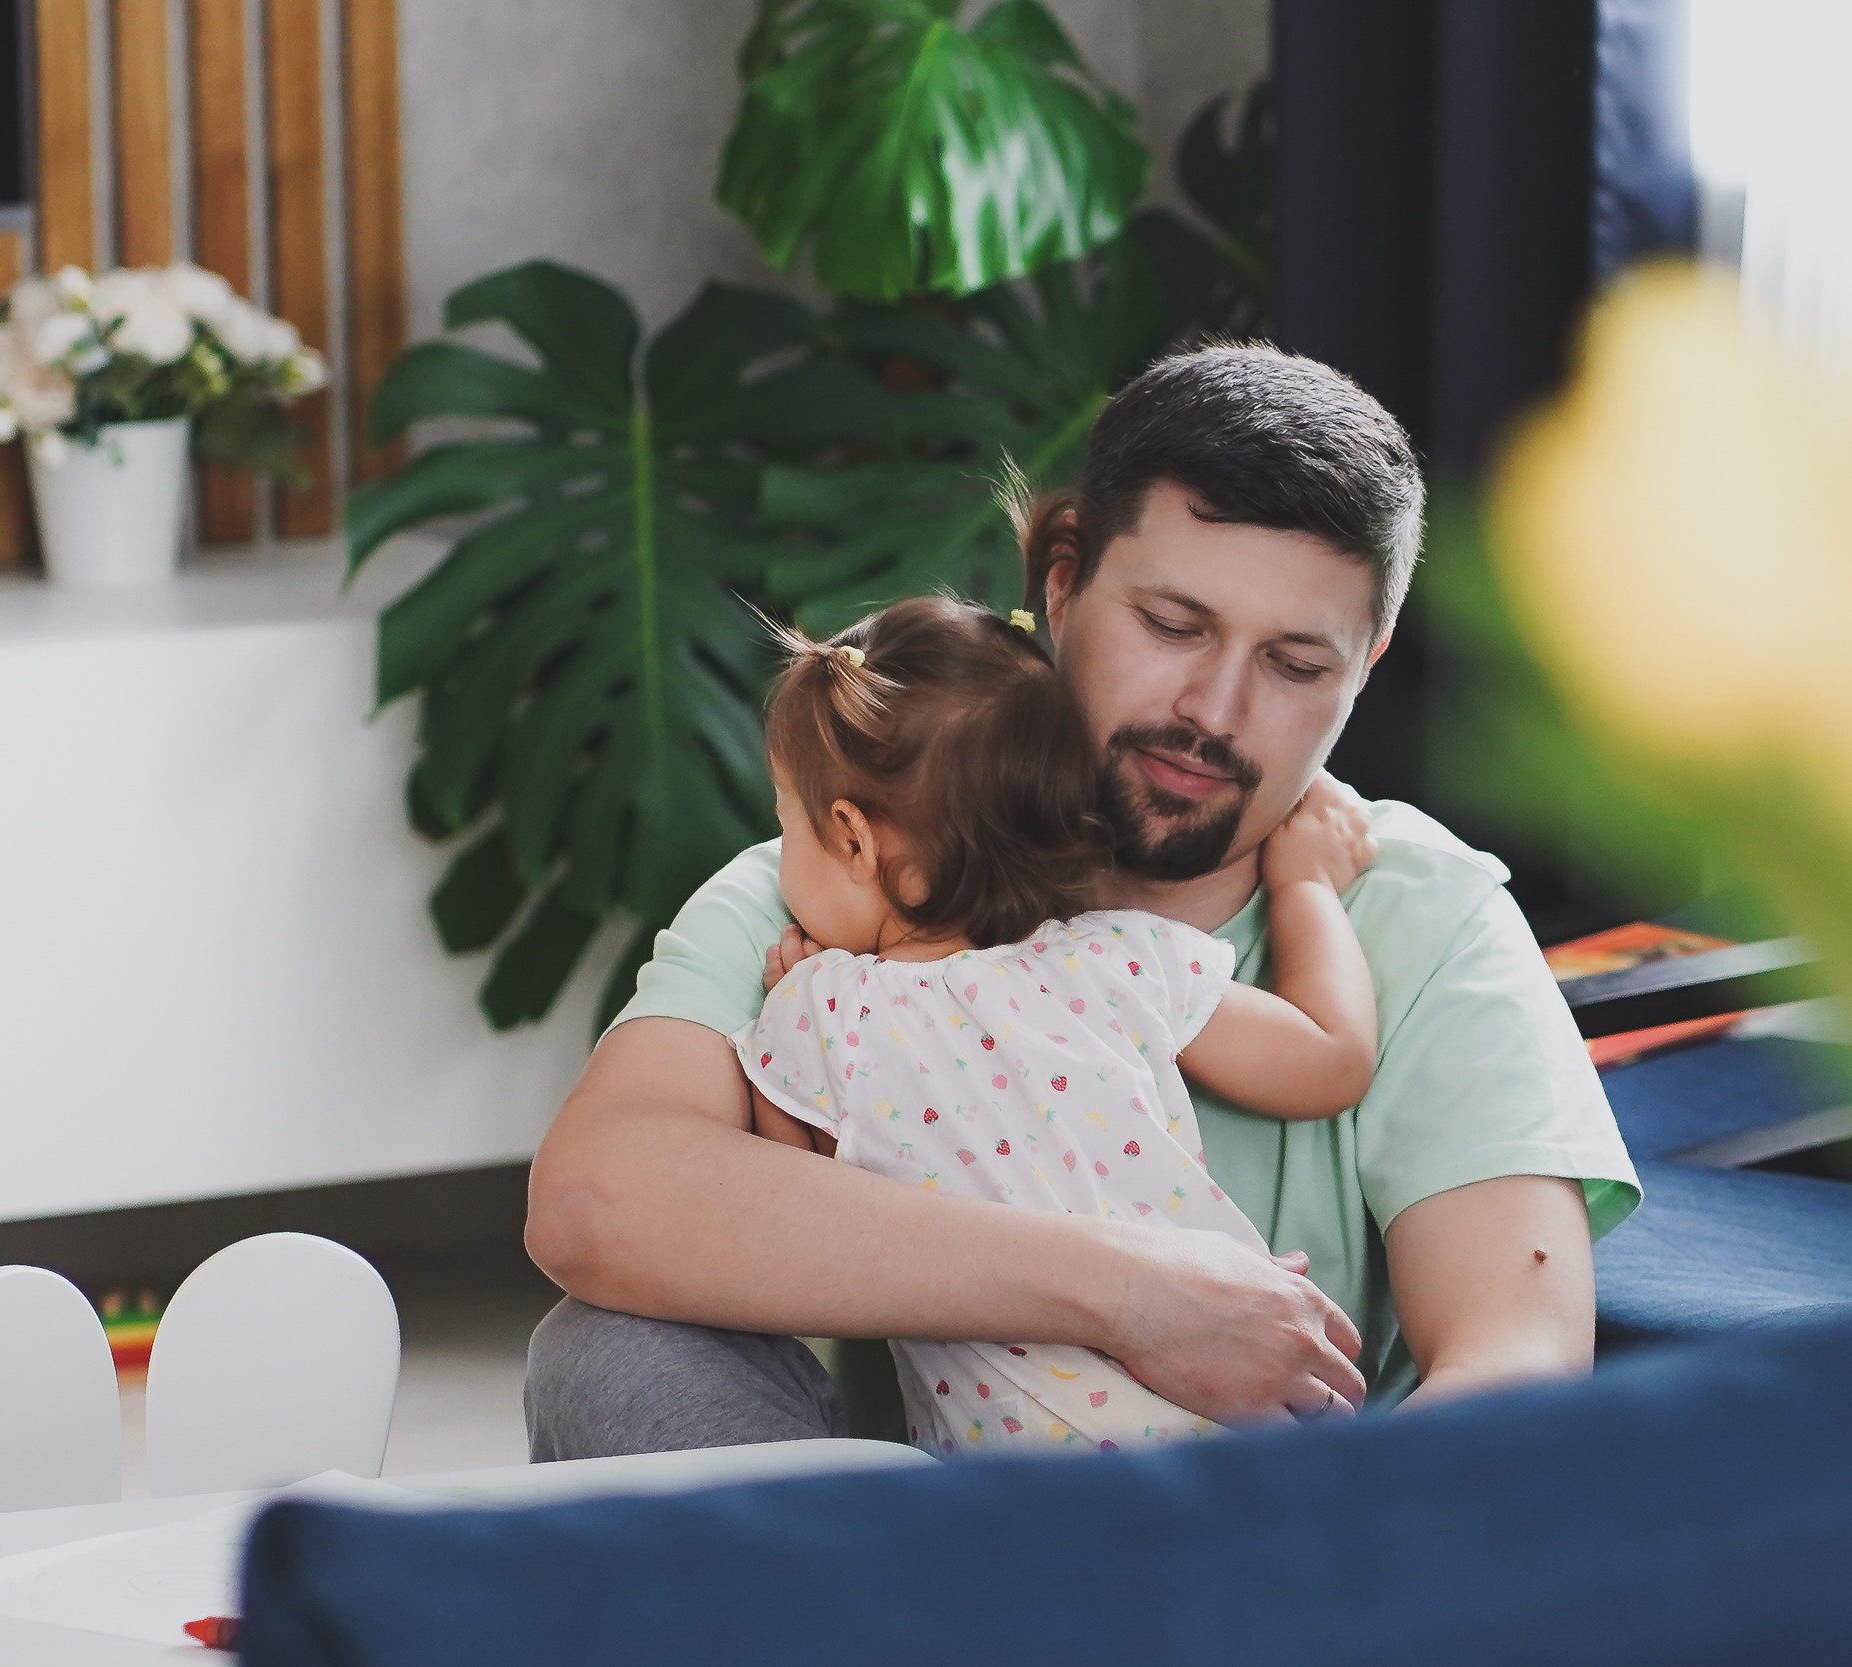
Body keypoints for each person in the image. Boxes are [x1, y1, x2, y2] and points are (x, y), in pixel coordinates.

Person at [522, 344, 1641, 1459]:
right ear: (1061, 587)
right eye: (1173, 625)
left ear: (1367, 664)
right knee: (608, 1351)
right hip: (909, 1545)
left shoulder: (1427, 915)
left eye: (1297, 664)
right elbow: (595, 1202)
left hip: (1287, 1554)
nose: (1214, 708)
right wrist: (1132, 1291)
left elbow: (1516, 1362)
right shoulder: (838, 885)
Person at [737, 596, 1383, 1455]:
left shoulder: (822, 1012)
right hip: (1246, 1410)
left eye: (787, 822)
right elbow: (1331, 1060)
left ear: (854, 839)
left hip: (1025, 1480)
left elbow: (791, 1218)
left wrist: (793, 1009)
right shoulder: (1121, 957)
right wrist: (1305, 880)